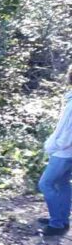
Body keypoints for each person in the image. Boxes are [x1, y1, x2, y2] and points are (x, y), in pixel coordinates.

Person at [39, 65, 72, 236]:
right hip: (69, 152)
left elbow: (68, 134)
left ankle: (57, 223)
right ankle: (62, 219)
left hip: (64, 152)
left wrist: (52, 145)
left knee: (45, 183)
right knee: (63, 184)